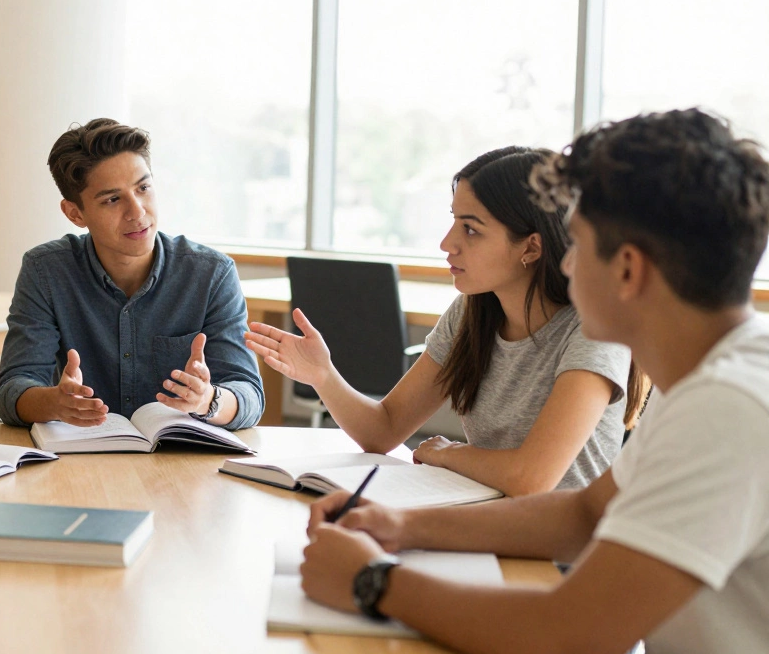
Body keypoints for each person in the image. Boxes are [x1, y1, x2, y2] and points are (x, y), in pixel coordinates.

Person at [300, 109, 769, 654]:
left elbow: (571, 640)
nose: (565, 262)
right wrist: (399, 526)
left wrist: (372, 581)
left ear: (627, 269)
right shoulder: (715, 381)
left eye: (579, 244)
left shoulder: (731, 407)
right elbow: (585, 512)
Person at [246, 147, 645, 495]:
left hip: (560, 560)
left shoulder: (594, 329)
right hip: (485, 523)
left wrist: (450, 454)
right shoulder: (471, 313)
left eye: (470, 229)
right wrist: (324, 376)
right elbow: (383, 431)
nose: (446, 243)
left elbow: (531, 479)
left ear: (531, 247)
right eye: (454, 221)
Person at [0, 118, 264, 429]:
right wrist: (54, 403)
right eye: (112, 199)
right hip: (81, 463)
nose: (137, 211)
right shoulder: (46, 271)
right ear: (75, 213)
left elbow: (249, 394)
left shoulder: (212, 274)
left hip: (181, 462)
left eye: (143, 188)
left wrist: (208, 400)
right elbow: (13, 389)